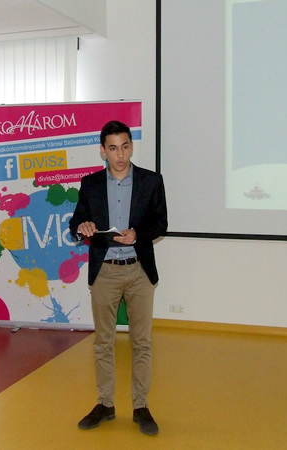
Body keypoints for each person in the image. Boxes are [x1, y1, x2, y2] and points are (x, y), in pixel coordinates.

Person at [69, 120, 168, 436]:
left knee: (142, 342)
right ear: (103, 151)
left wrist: (139, 233)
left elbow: (160, 223)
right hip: (105, 272)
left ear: (131, 146)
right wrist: (82, 227)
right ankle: (105, 405)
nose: (120, 155)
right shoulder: (91, 184)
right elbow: (76, 223)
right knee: (103, 342)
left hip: (139, 270)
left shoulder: (151, 181)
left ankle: (141, 407)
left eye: (125, 146)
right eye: (113, 148)